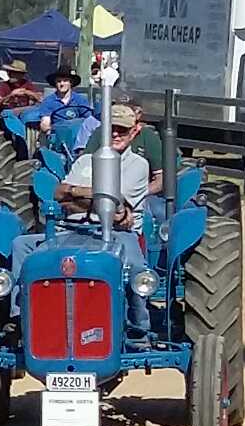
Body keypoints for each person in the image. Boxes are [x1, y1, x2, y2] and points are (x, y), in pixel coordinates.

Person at [9, 104, 152, 336]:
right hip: (71, 230)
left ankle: (139, 325)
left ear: (134, 132)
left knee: (136, 267)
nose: (115, 134)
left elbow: (114, 208)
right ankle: (19, 316)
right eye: (111, 128)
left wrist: (76, 194)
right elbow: (59, 194)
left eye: (122, 130)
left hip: (117, 234)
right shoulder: (85, 161)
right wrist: (92, 194)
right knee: (21, 245)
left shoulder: (138, 165)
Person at [27, 65, 92, 133]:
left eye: (65, 81)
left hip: (78, 134)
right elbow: (45, 121)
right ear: (55, 83)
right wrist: (47, 129)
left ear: (71, 83)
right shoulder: (48, 101)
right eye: (59, 81)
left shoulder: (80, 100)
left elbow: (89, 119)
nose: (62, 84)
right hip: (58, 136)